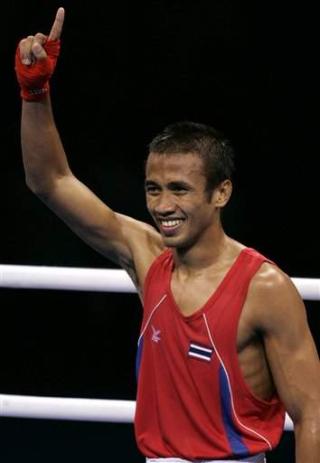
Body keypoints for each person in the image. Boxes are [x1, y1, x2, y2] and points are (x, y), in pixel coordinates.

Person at [14, 7, 320, 463]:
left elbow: (312, 414)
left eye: (179, 189)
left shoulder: (264, 287)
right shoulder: (145, 254)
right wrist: (34, 91)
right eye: (153, 189)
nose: (162, 206)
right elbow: (51, 182)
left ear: (221, 193)